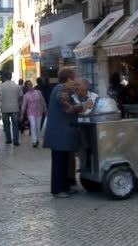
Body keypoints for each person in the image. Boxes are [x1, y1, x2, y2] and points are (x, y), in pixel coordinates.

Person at [44, 67, 92, 198]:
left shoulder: (63, 90)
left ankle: (65, 187)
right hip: (59, 132)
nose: (75, 82)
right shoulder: (61, 91)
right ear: (69, 79)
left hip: (62, 132)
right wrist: (84, 106)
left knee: (64, 161)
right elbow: (68, 108)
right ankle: (58, 190)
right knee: (59, 162)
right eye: (74, 79)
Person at [21, 80, 47, 148]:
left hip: (39, 111)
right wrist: (22, 114)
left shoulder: (38, 92)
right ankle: (34, 141)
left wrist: (45, 109)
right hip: (30, 112)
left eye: (31, 84)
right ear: (26, 87)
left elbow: (42, 101)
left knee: (38, 127)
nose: (30, 85)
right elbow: (23, 105)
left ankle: (38, 139)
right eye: (28, 85)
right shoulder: (26, 95)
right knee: (33, 125)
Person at [0, 72, 24, 146]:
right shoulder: (17, 86)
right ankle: (16, 140)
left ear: (4, 77)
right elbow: (21, 97)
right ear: (11, 77)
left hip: (4, 108)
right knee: (15, 125)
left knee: (6, 124)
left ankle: (8, 139)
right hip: (14, 107)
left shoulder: (1, 86)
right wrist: (18, 103)